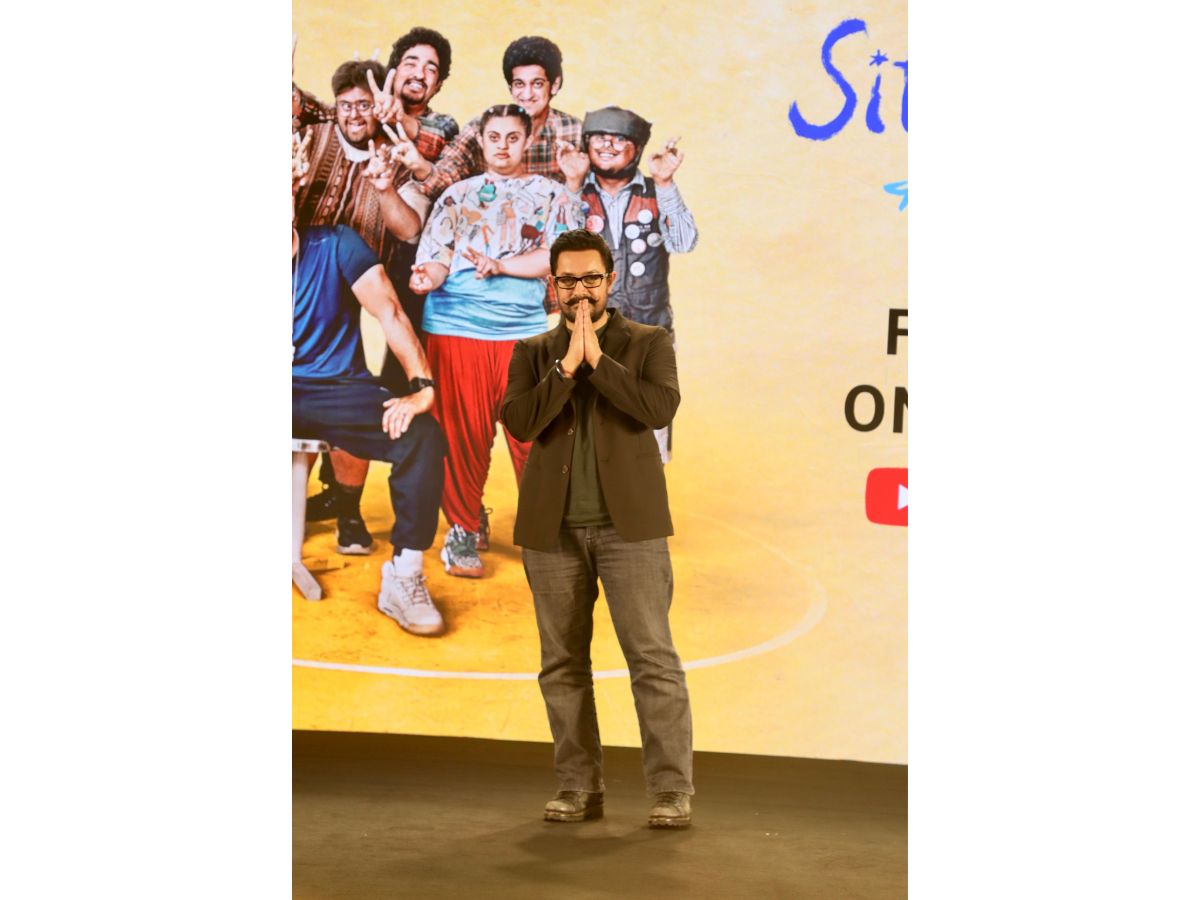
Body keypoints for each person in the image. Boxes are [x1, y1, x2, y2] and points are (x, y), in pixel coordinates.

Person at [500, 229, 694, 828]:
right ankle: (578, 787)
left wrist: (598, 364)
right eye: (567, 280)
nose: (579, 291)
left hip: (629, 529)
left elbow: (658, 408)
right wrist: (565, 369)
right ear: (552, 285)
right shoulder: (532, 352)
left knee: (652, 660)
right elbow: (519, 422)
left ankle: (670, 791)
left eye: (590, 278)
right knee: (561, 664)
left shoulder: (650, 341)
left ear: (610, 280)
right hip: (552, 531)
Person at [402, 105, 588, 579]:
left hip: (521, 332)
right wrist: (426, 277)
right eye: (493, 137)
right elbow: (439, 258)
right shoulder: (456, 195)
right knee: (462, 437)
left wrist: (502, 265)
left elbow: (555, 256)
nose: (502, 146)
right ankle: (463, 528)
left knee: (538, 436)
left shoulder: (551, 194)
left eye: (512, 137)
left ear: (527, 142)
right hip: (455, 328)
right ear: (481, 142)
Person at [292, 145, 449, 637]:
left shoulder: (336, 244)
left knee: (421, 436)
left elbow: (390, 311)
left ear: (293, 185)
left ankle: (404, 574)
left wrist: (421, 385)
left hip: (333, 388)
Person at [293, 55, 443, 556]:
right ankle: (301, 502)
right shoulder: (311, 132)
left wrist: (385, 184)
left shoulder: (398, 149)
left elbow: (410, 229)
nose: (355, 113)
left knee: (345, 387)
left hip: (358, 270)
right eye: (347, 104)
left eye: (365, 104)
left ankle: (348, 508)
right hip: (300, 264)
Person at [579, 106, 697, 463]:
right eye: (599, 137)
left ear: (638, 148)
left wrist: (665, 183)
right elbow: (552, 249)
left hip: (649, 334)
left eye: (620, 139)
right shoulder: (574, 191)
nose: (608, 146)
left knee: (648, 437)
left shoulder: (654, 191)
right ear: (586, 143)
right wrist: (570, 185)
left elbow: (684, 242)